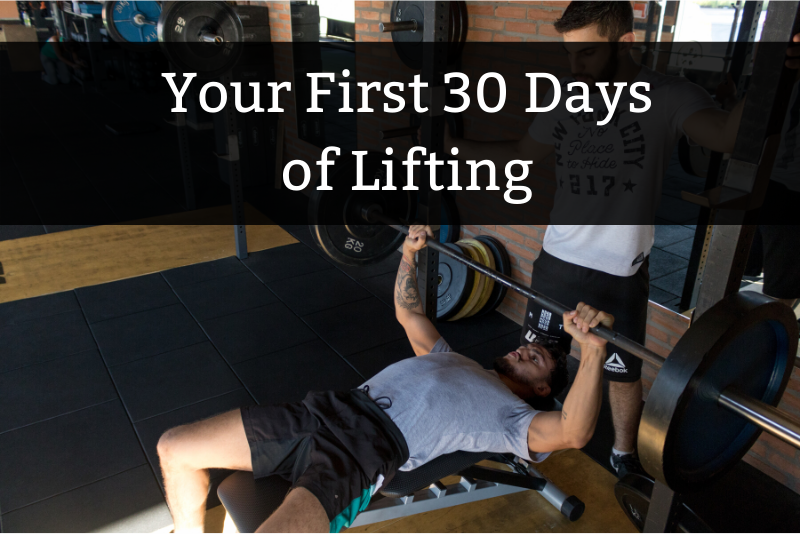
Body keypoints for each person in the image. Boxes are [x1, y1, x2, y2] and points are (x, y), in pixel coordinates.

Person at [441, 1, 800, 478]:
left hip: (619, 275)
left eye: (588, 53)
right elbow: (524, 151)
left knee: (623, 372)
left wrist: (775, 80)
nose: (576, 67)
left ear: (625, 44)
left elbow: (724, 136)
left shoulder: (668, 94)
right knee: (530, 360)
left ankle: (625, 455)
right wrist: (454, 148)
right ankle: (520, 436)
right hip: (555, 263)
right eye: (571, 54)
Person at [156, 225, 614, 533]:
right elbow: (408, 312)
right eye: (525, 345)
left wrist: (593, 351)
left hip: (362, 454)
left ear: (541, 391)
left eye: (534, 359)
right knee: (174, 447)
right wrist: (409, 254)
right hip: (320, 412)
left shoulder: (514, 420)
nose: (521, 348)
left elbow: (574, 431)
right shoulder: (450, 358)